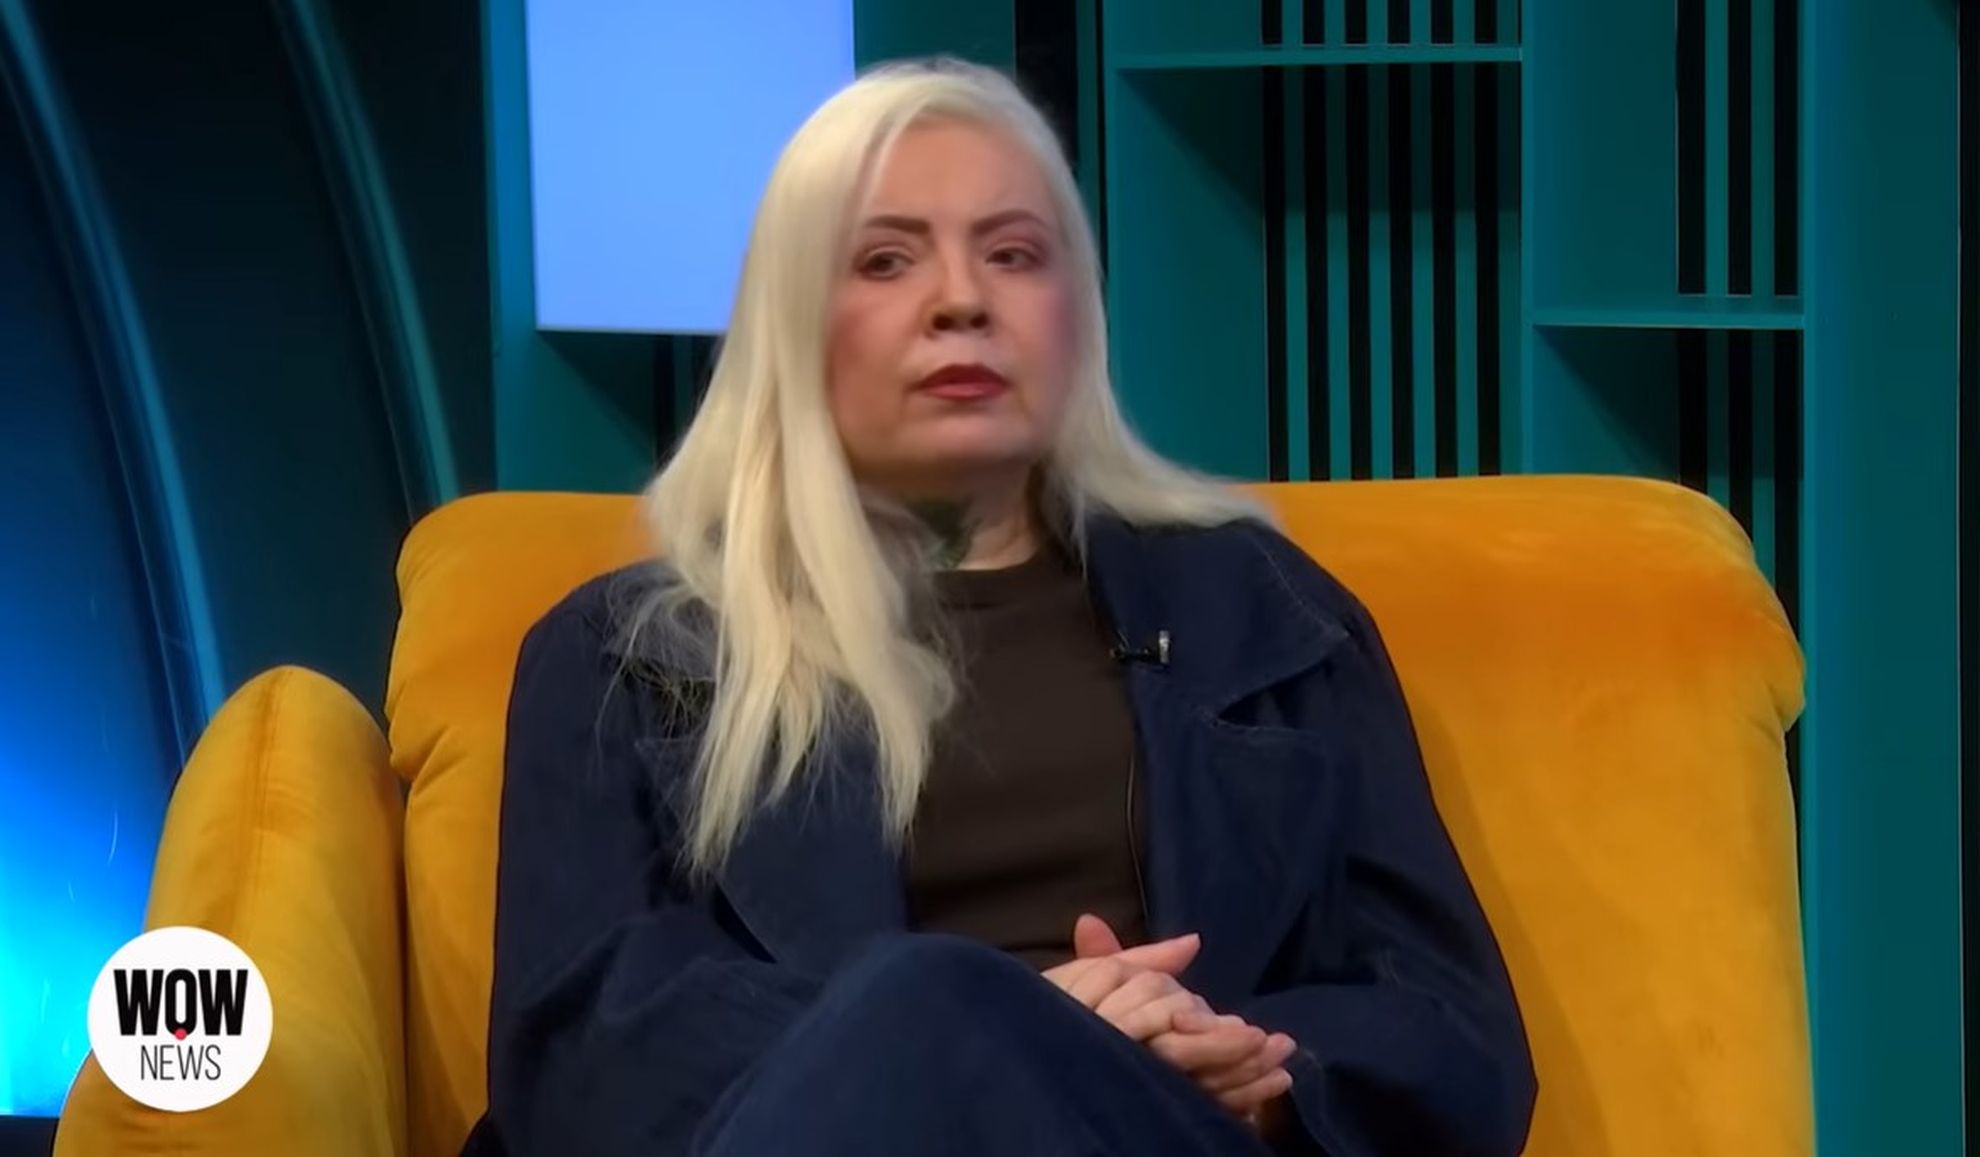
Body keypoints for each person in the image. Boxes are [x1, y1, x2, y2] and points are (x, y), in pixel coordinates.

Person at [464, 57, 1535, 1157]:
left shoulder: (1267, 619)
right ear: (789, 322)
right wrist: (1000, 1030)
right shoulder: (627, 658)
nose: (962, 300)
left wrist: (1254, 1073)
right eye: (886, 259)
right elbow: (581, 1062)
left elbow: (1453, 1035)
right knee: (932, 1000)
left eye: (1014, 254)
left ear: (1077, 316)